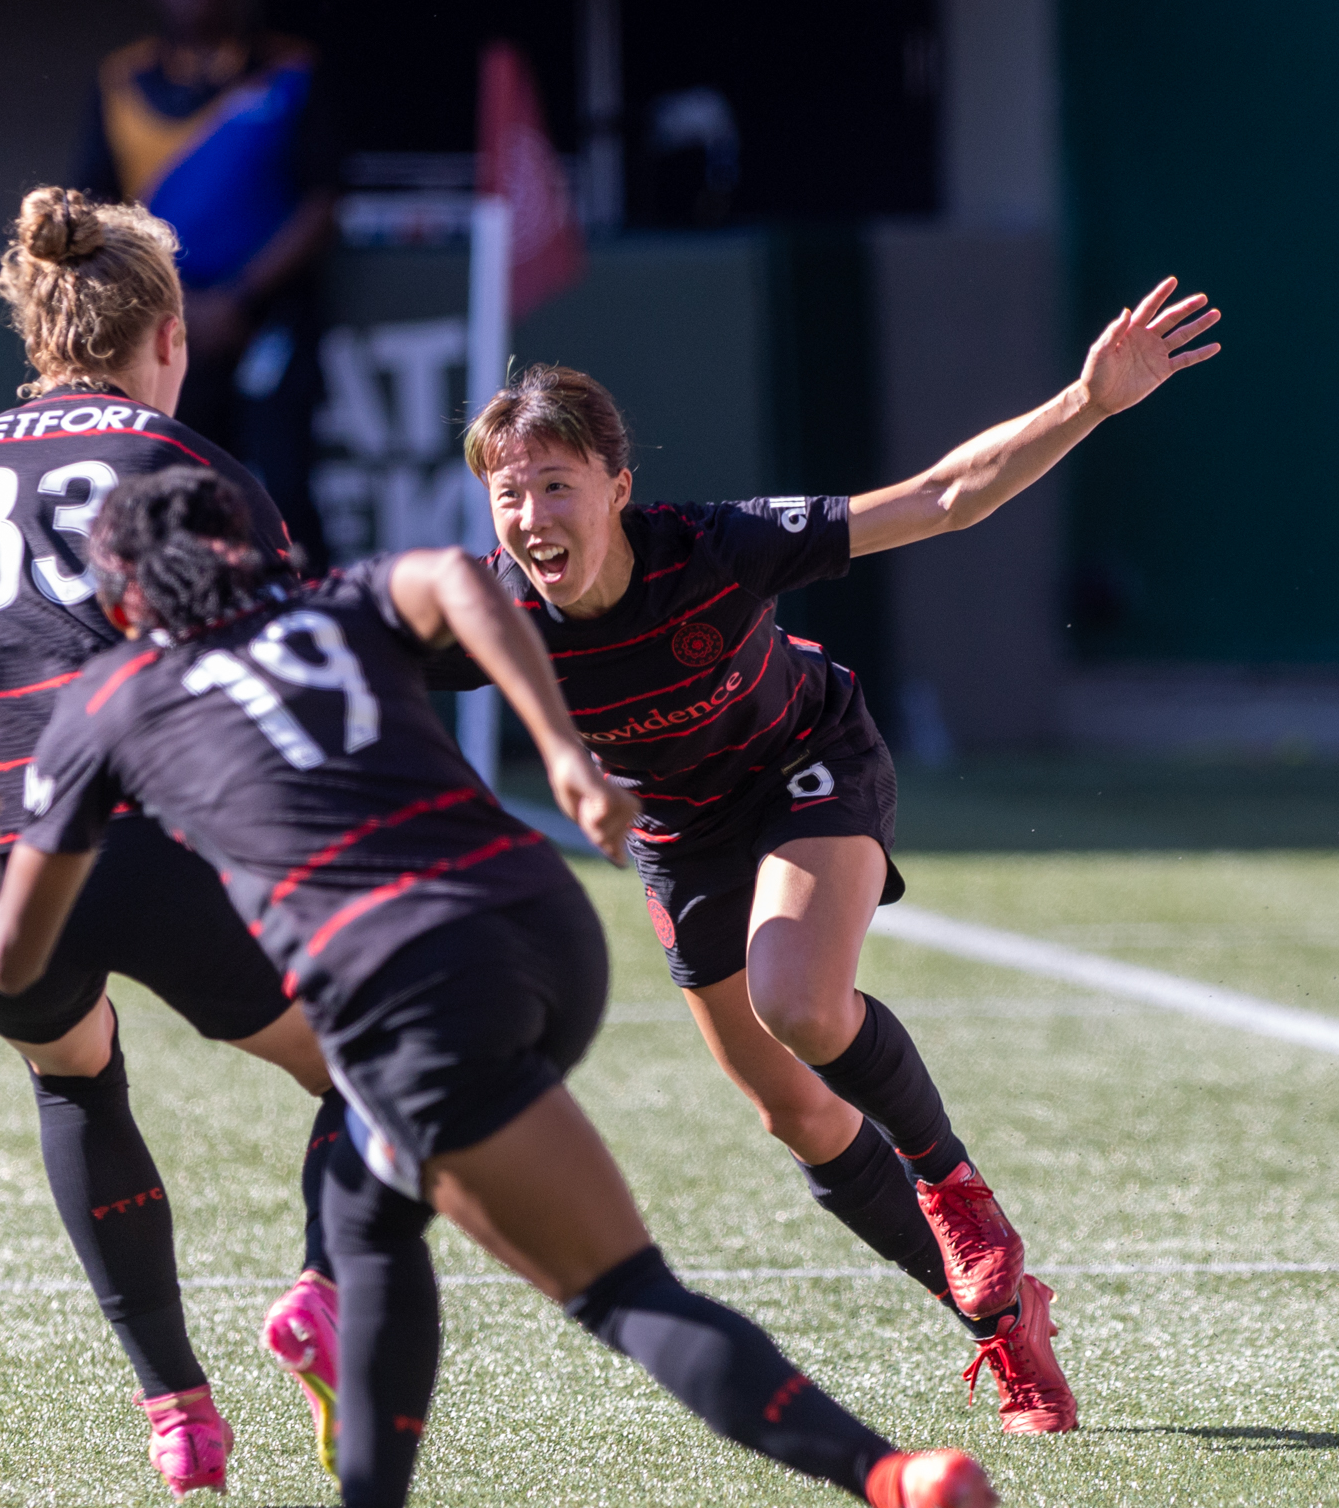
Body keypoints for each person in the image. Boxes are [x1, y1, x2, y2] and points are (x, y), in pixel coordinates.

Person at [0, 466, 1048, 1508]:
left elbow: (6, 965)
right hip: (542, 928)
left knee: (622, 1295)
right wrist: (561, 752)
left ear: (126, 596)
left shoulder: (109, 697)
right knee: (364, 1209)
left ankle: (901, 1486)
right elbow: (458, 575)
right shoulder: (341, 602)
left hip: (417, 992)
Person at [447, 279, 1224, 1436]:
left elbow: (944, 498)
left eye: (555, 484)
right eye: (507, 494)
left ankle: (956, 1188)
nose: (530, 515)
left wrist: (1085, 402)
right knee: (795, 1115)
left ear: (617, 485)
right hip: (683, 833)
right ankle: (1005, 1324)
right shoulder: (496, 615)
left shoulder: (712, 547)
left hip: (807, 761)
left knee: (798, 1003)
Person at [0, 189, 350, 1498]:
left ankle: (177, 1413)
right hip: (123, 800)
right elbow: (276, 678)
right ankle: (322, 1294)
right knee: (374, 1062)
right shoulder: (189, 465)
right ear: (171, 332)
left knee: (72, 1078)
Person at [75, 0, 339, 558]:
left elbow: (322, 203)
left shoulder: (291, 68)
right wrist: (171, 306)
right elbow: (95, 213)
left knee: (281, 490)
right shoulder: (121, 81)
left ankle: (306, 633)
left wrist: (242, 300)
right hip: (163, 325)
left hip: (267, 322)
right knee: (170, 494)